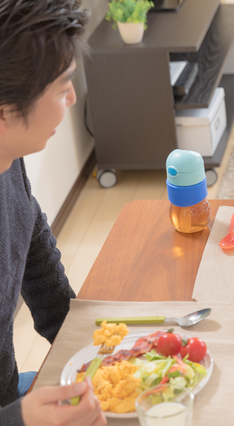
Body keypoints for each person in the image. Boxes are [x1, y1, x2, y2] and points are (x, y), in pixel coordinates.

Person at [0, 1, 106, 425]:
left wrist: (82, 340)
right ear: (5, 111)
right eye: (62, 85)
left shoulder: (9, 158)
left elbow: (32, 244)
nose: (73, 95)